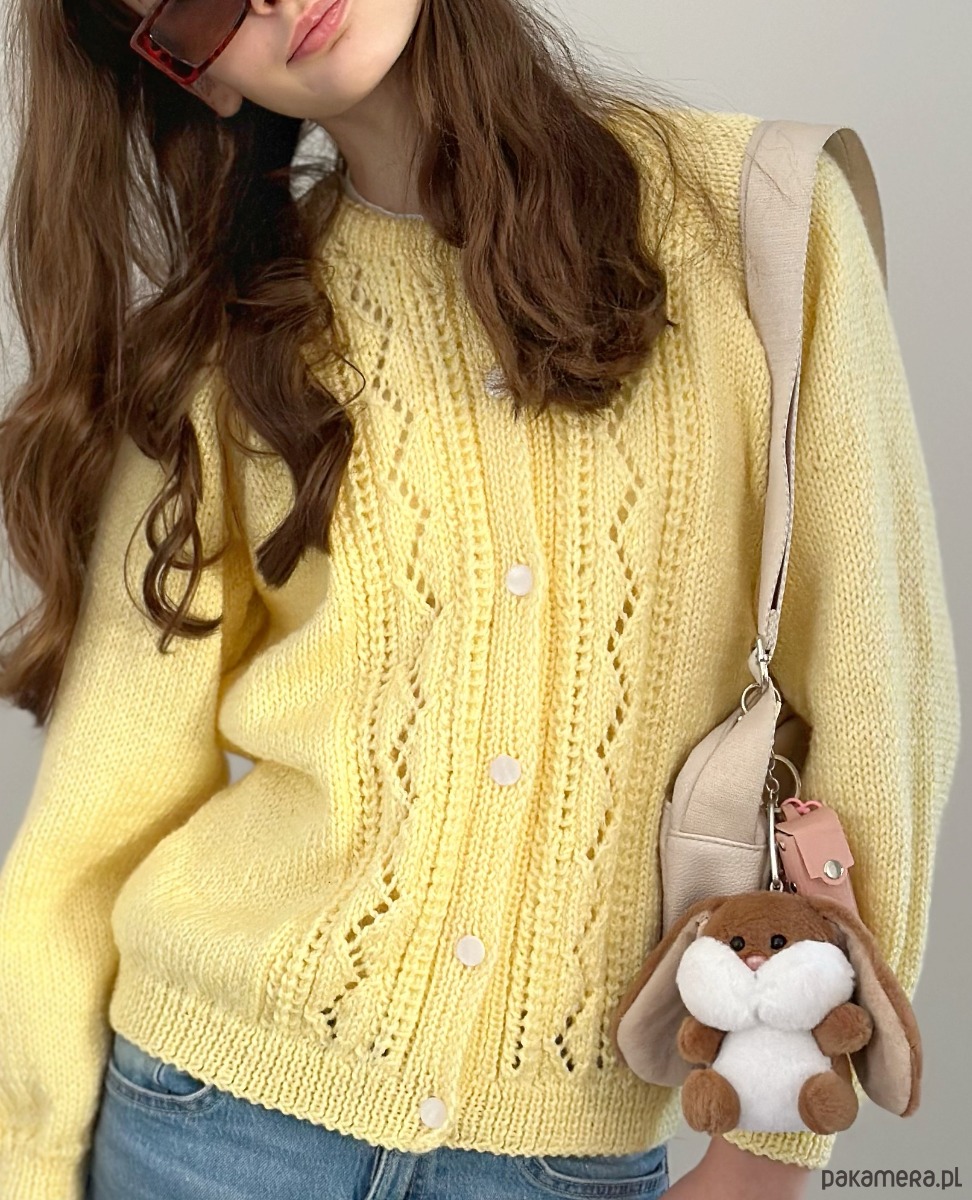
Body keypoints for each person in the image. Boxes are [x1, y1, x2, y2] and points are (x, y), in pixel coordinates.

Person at [0, 0, 960, 1194]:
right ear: (199, 77)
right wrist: (27, 1158)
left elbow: (878, 694)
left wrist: (767, 1153)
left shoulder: (753, 216)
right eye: (200, 3)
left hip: (557, 1159)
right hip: (207, 1123)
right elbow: (99, 808)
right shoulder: (230, 334)